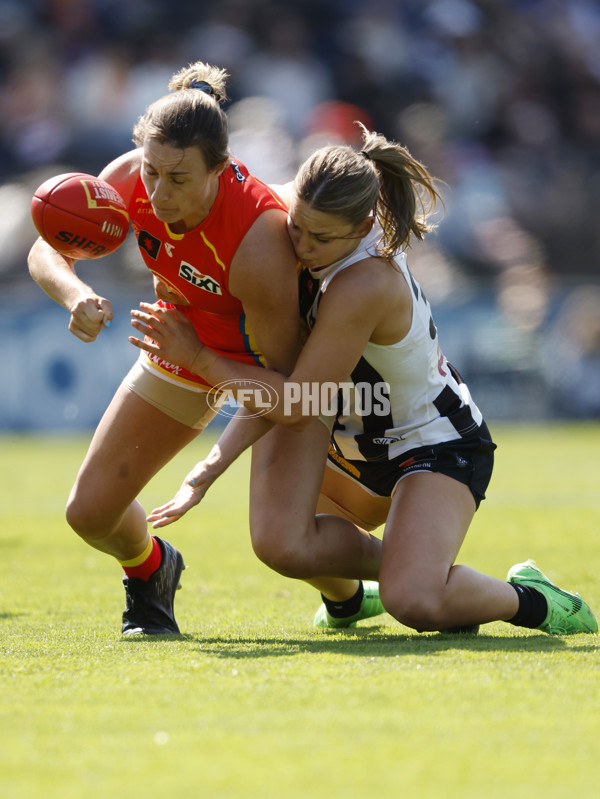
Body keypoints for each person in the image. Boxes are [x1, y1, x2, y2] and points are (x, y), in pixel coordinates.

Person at [128, 124, 597, 637]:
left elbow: (295, 401)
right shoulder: (300, 231)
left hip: (433, 449)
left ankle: (528, 598)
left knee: (414, 601)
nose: (301, 247)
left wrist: (196, 357)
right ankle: (352, 598)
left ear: (363, 226)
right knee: (281, 543)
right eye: (297, 228)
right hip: (355, 449)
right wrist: (210, 466)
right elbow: (282, 381)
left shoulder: (364, 282)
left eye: (321, 237)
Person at [27, 62, 301, 636]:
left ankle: (360, 593)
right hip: (179, 353)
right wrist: (76, 294)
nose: (157, 193)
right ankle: (153, 568)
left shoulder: (259, 240)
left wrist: (204, 361)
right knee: (90, 514)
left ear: (221, 169)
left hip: (254, 375)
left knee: (288, 547)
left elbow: (290, 388)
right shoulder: (132, 177)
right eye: (152, 172)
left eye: (178, 179)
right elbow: (47, 250)